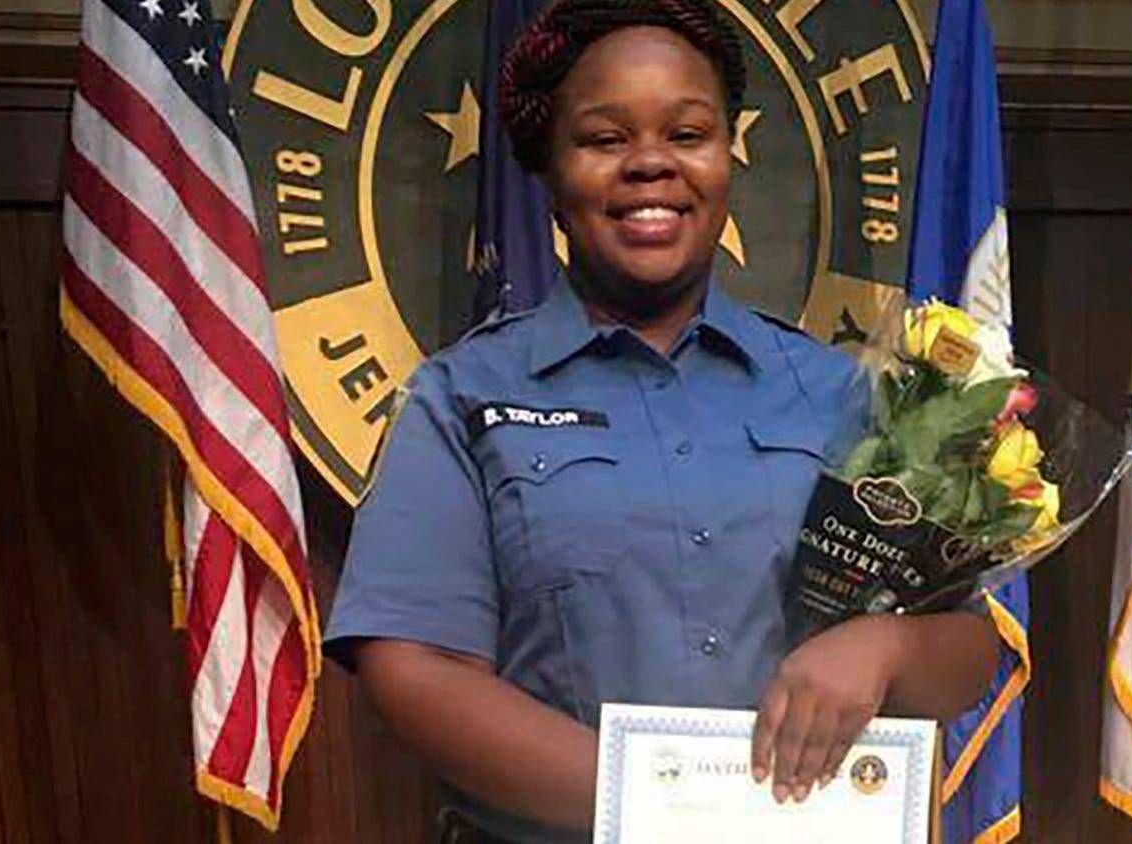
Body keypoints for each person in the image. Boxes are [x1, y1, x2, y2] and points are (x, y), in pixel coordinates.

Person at [323, 1, 1000, 841]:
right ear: (549, 173)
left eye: (688, 134)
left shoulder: (840, 395)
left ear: (727, 156)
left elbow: (969, 651)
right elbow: (414, 668)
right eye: (604, 139)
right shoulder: (460, 396)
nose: (651, 163)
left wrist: (884, 651)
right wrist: (658, 805)